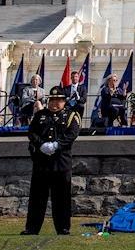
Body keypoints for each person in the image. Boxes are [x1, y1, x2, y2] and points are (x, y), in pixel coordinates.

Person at [22, 86, 81, 235]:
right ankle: (32, 228)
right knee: (37, 197)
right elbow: (32, 132)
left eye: (58, 101)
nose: (54, 104)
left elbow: (72, 134)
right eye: (52, 100)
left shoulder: (71, 115)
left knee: (61, 197)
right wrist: (40, 144)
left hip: (60, 162)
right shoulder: (40, 115)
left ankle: (63, 228)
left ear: (64, 101)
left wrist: (57, 145)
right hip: (42, 162)